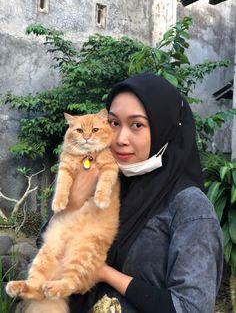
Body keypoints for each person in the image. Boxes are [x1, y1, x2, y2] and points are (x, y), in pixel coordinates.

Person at [39, 73, 224, 313]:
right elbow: (46, 243)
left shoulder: (189, 207)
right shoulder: (106, 180)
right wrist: (73, 202)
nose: (120, 139)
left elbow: (190, 308)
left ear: (164, 129)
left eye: (137, 125)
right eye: (114, 123)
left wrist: (104, 273)